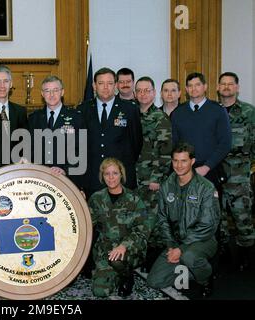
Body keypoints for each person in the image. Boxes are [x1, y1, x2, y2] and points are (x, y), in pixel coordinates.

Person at [147, 143, 220, 297]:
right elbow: (162, 219)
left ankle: (206, 278)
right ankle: (191, 269)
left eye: (184, 161)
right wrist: (170, 246)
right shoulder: (167, 186)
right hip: (176, 241)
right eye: (175, 161)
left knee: (189, 256)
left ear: (192, 161)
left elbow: (208, 226)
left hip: (203, 240)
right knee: (154, 281)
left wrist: (181, 250)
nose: (179, 166)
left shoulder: (206, 187)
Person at [88, 158, 150, 297]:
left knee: (117, 260)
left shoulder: (134, 199)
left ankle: (126, 275)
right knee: (99, 292)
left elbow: (143, 229)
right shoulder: (96, 198)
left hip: (129, 250)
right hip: (105, 250)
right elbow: (87, 225)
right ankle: (115, 274)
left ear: (121, 174)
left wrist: (124, 246)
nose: (111, 177)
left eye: (115, 173)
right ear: (102, 176)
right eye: (107, 174)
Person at [77, 67, 143, 198]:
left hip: (121, 179)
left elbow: (136, 144)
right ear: (94, 86)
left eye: (110, 83)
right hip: (92, 178)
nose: (105, 87)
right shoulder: (83, 109)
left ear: (116, 85)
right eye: (101, 83)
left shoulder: (130, 109)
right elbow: (79, 146)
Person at [217, 72, 255, 269]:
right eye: (223, 84)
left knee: (243, 218)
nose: (226, 87)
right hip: (216, 174)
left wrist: (248, 168)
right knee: (219, 219)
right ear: (217, 87)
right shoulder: (212, 110)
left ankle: (247, 256)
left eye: (230, 84)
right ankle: (224, 255)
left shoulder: (249, 112)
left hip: (239, 177)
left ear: (237, 88)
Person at [135, 77, 172, 268]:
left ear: (153, 92)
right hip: (135, 178)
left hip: (151, 179)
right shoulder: (132, 115)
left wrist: (157, 178)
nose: (143, 94)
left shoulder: (160, 118)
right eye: (139, 91)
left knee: (153, 219)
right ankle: (140, 256)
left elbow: (165, 152)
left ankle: (155, 260)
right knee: (139, 218)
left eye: (146, 90)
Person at [171, 72, 232, 189]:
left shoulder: (218, 111)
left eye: (197, 84)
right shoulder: (178, 113)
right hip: (184, 171)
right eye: (190, 85)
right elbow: (175, 143)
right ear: (186, 89)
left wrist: (207, 166)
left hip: (211, 170)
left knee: (210, 206)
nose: (194, 88)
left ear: (205, 87)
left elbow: (225, 143)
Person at [28, 75, 85, 189]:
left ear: (62, 92)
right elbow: (30, 148)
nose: (52, 95)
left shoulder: (76, 117)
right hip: (40, 178)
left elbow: (81, 149)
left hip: (67, 178)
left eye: (55, 90)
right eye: (47, 91)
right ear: (42, 94)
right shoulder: (34, 118)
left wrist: (65, 169)